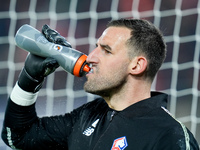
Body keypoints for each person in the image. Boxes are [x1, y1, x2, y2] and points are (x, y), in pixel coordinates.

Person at [1, 19, 199, 150]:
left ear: (137, 65)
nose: (91, 57)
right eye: (96, 47)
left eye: (106, 50)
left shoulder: (169, 135)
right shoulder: (88, 116)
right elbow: (18, 136)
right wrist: (29, 78)